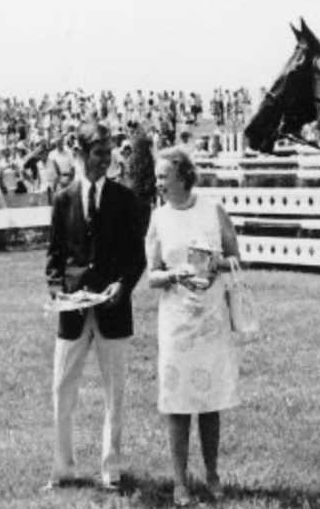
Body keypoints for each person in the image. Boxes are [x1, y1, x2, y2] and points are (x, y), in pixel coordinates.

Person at [44, 122, 146, 492]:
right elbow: (54, 256)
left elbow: (137, 258)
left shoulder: (124, 198)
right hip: (72, 311)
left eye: (110, 152)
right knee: (62, 389)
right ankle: (62, 469)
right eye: (100, 152)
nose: (107, 159)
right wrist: (57, 290)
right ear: (82, 153)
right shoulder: (63, 198)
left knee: (114, 393)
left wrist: (124, 284)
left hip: (113, 309)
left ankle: (111, 470)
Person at [145, 146, 241, 506]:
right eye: (157, 177)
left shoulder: (212, 209)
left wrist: (217, 263)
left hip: (210, 320)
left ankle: (213, 473)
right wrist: (173, 274)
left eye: (163, 177)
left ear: (184, 176)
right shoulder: (159, 219)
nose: (158, 183)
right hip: (176, 324)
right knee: (178, 405)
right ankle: (179, 482)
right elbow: (152, 275)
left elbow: (236, 258)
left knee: (211, 402)